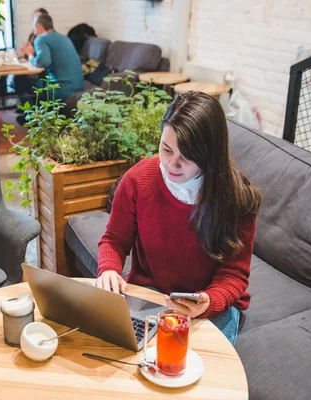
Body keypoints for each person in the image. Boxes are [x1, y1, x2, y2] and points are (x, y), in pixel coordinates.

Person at [95, 92, 261, 345]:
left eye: (186, 156)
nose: (172, 164)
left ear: (209, 155)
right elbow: (114, 240)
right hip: (151, 293)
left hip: (209, 303)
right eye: (166, 149)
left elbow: (233, 276)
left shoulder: (237, 199)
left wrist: (207, 303)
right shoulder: (138, 180)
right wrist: (109, 269)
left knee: (194, 367)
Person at [21, 14, 83, 102]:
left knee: (21, 80)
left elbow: (43, 62)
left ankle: (31, 113)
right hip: (78, 86)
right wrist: (35, 53)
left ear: (39, 27)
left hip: (62, 90)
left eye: (34, 28)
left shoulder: (41, 39)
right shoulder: (64, 38)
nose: (34, 33)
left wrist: (30, 55)